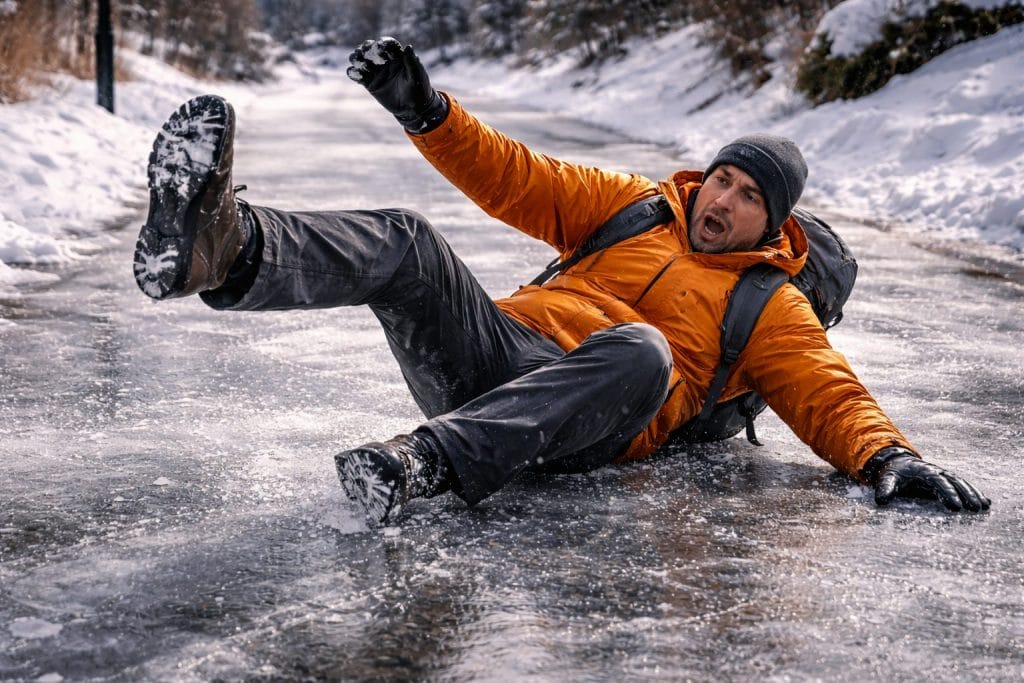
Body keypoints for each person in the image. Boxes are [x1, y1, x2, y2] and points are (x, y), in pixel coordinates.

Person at [132, 37, 990, 526]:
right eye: (725, 178)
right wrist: (426, 110)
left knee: (643, 349)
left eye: (750, 196)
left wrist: (892, 457)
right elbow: (518, 176)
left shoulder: (769, 301)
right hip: (497, 358)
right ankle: (226, 249)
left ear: (776, 224)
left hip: (594, 415)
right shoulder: (638, 207)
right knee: (408, 240)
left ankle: (422, 462)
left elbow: (830, 391)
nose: (724, 200)